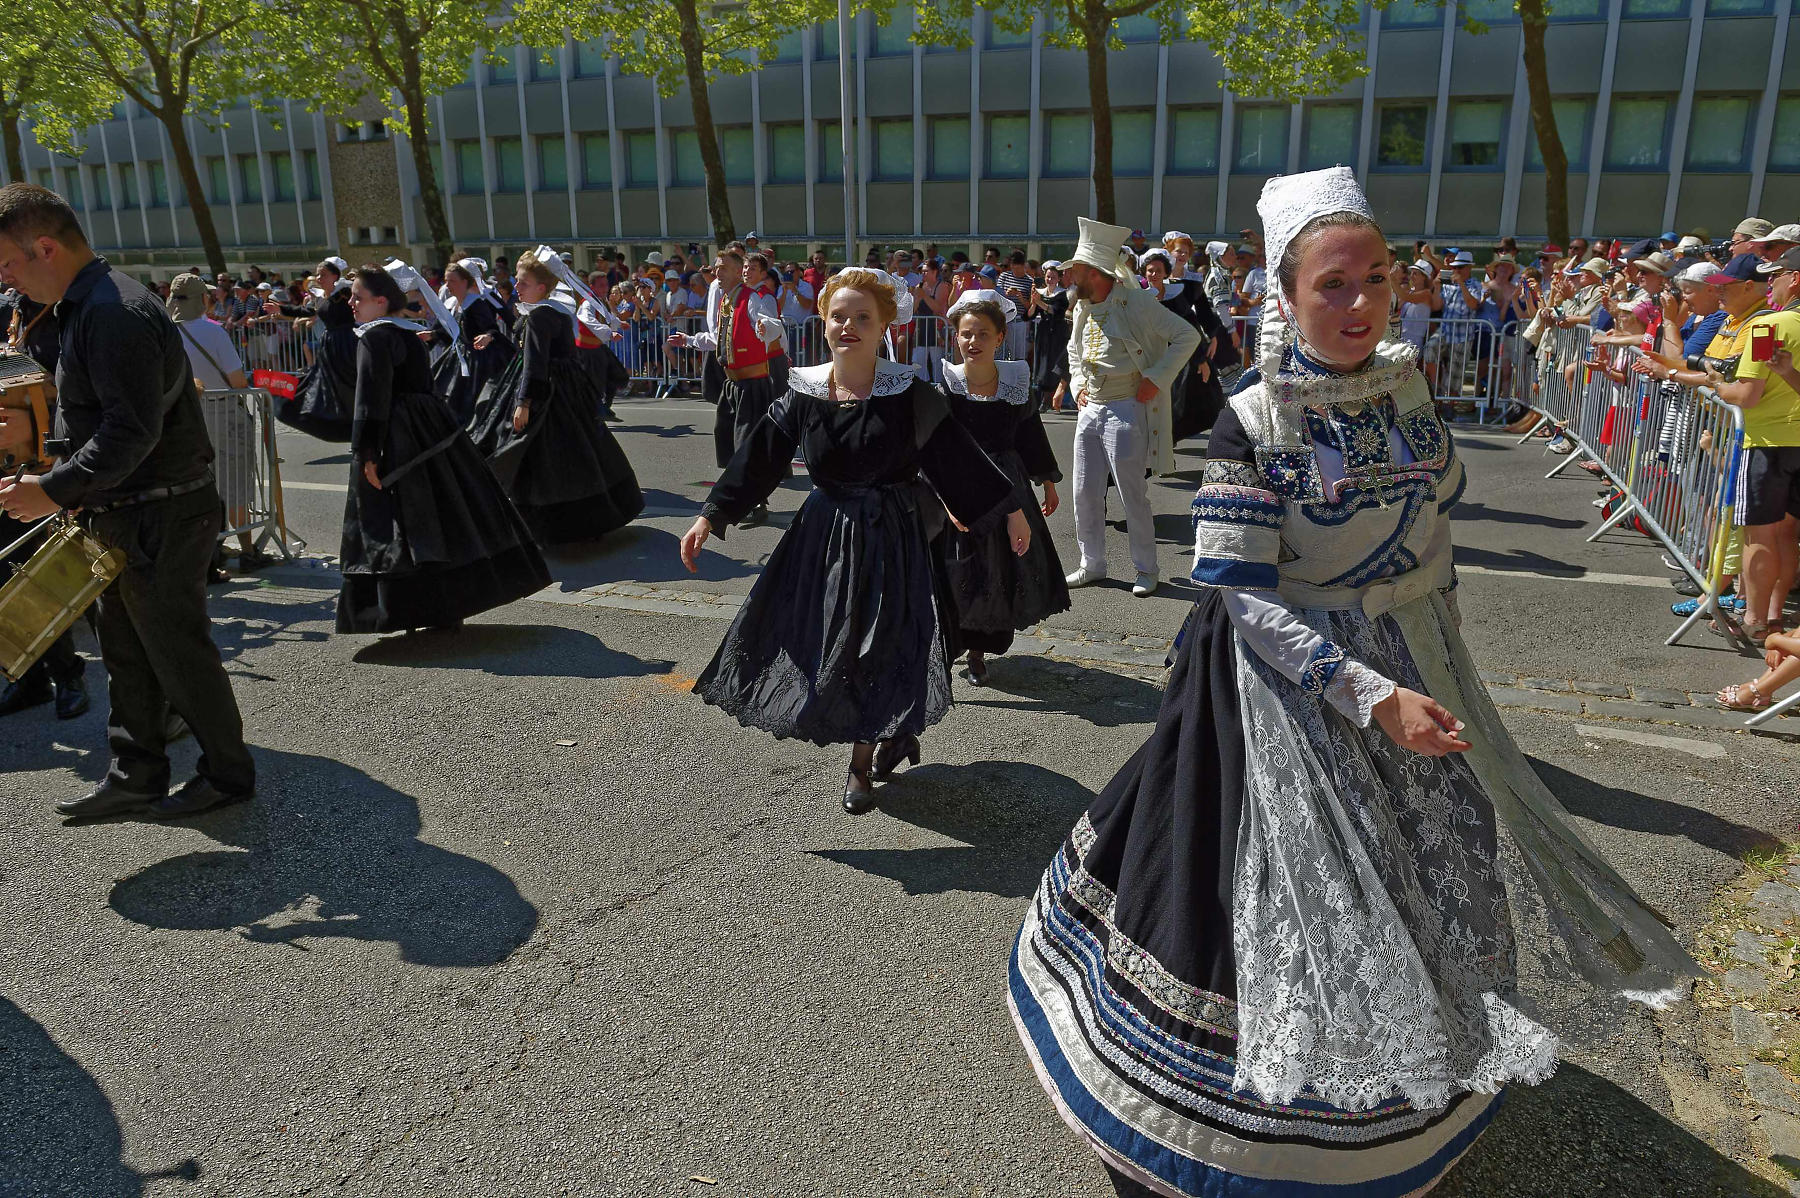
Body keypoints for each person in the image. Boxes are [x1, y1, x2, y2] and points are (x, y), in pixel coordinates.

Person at [1007, 167, 1696, 1198]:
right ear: (1283, 294)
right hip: (1278, 683)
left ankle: (1390, 1119)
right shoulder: (1253, 416)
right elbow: (1243, 594)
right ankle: (1215, 1126)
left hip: (1409, 665)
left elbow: (1434, 533)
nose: (1361, 302)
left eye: (1377, 277)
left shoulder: (1408, 385)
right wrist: (1370, 692)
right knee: (1259, 895)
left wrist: (1433, 663)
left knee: (1421, 875)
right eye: (1333, 285)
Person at [677, 269, 1028, 815]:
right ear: (823, 320)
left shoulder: (909, 392)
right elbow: (760, 455)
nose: (849, 326)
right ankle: (895, 727)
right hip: (824, 537)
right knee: (821, 644)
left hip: (893, 536)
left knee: (882, 644)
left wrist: (1006, 514)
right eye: (839, 315)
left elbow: (957, 461)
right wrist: (712, 515)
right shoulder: (806, 389)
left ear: (886, 324)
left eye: (863, 317)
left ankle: (861, 764)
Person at [0, 182, 255, 820]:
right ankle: (136, 774)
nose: (4, 281)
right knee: (126, 652)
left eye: (7, 263)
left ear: (46, 246)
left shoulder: (112, 311)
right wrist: (59, 467)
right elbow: (94, 416)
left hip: (159, 511)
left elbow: (130, 431)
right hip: (130, 511)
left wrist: (53, 489)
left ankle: (228, 776)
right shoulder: (87, 305)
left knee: (176, 652)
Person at [335, 263, 550, 634]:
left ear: (381, 301)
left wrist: (366, 452)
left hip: (397, 436)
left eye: (358, 296)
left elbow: (371, 399)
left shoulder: (375, 337)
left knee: (400, 521)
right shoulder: (406, 333)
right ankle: (446, 603)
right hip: (429, 428)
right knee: (440, 513)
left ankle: (407, 608)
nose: (351, 302)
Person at [1061, 218, 1202, 599]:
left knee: (1131, 493)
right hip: (1091, 408)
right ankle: (1092, 563)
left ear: (1094, 273)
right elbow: (1075, 351)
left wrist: (1156, 377)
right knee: (1084, 491)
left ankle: (1146, 568)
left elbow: (1187, 336)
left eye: (1075, 269)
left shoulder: (1136, 302)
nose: (1070, 275)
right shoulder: (1082, 306)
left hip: (1126, 408)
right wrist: (1076, 385)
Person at [934, 291, 1069, 686]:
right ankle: (945, 647)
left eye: (982, 334)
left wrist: (1047, 481)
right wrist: (943, 497)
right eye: (966, 334)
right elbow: (936, 447)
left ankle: (979, 651)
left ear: (999, 337)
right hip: (959, 482)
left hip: (1008, 484)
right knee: (953, 568)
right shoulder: (945, 385)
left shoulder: (1014, 382)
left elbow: (1030, 434)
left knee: (998, 569)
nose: (973, 341)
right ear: (956, 337)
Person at [468, 251, 645, 547]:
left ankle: (559, 524)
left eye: (523, 283)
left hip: (548, 393)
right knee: (578, 452)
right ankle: (591, 518)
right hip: (564, 390)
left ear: (542, 287)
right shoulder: (549, 311)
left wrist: (524, 403)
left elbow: (536, 363)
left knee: (546, 457)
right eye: (517, 281)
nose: (517, 287)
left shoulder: (540, 315)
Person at [0, 285, 88, 719]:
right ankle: (28, 679)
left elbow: (61, 392)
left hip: (23, 470)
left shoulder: (32, 309)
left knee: (35, 579)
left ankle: (68, 674)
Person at [666, 248, 787, 525]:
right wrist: (689, 340)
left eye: (722, 268)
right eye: (717, 268)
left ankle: (754, 502)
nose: (716, 272)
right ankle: (749, 496)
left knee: (746, 445)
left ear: (737, 271)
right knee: (727, 439)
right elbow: (717, 338)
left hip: (753, 383)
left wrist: (764, 329)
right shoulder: (726, 302)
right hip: (732, 383)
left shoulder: (751, 298)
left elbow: (773, 326)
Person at [164, 273, 273, 579]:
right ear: (203, 299)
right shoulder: (213, 332)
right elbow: (237, 380)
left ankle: (208, 551)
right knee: (235, 480)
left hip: (185, 418)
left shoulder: (163, 333)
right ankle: (247, 549)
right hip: (222, 410)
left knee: (198, 486)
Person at [1140, 247, 1230, 441]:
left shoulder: (1176, 297)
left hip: (1176, 359)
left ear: (1166, 273)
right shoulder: (1138, 297)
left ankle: (1165, 446)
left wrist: (1201, 359)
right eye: (1150, 270)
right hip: (1147, 358)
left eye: (1158, 270)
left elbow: (1191, 329)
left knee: (1179, 404)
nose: (1154, 274)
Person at [268, 255, 356, 440]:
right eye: (317, 274)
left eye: (323, 274)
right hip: (330, 344)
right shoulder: (323, 297)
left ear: (335, 276)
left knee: (347, 383)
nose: (318, 278)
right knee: (321, 383)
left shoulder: (345, 294)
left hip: (347, 343)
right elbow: (309, 311)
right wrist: (282, 310)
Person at [434, 259, 515, 425]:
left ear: (465, 281)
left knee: (474, 401)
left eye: (452, 281)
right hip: (461, 355)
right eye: (446, 281)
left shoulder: (481, 300)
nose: (448, 285)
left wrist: (489, 336)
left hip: (481, 359)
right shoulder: (453, 303)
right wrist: (433, 335)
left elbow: (500, 324)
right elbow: (449, 332)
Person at [1030, 262, 1071, 411]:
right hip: (1043, 331)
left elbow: (1057, 312)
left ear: (1058, 278)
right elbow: (1031, 313)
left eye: (1053, 277)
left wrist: (1040, 303)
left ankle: (1048, 399)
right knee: (1040, 363)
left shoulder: (1062, 294)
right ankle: (1038, 399)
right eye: (1048, 276)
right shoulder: (1040, 292)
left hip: (1057, 332)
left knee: (1052, 364)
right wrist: (1033, 302)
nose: (1049, 279)